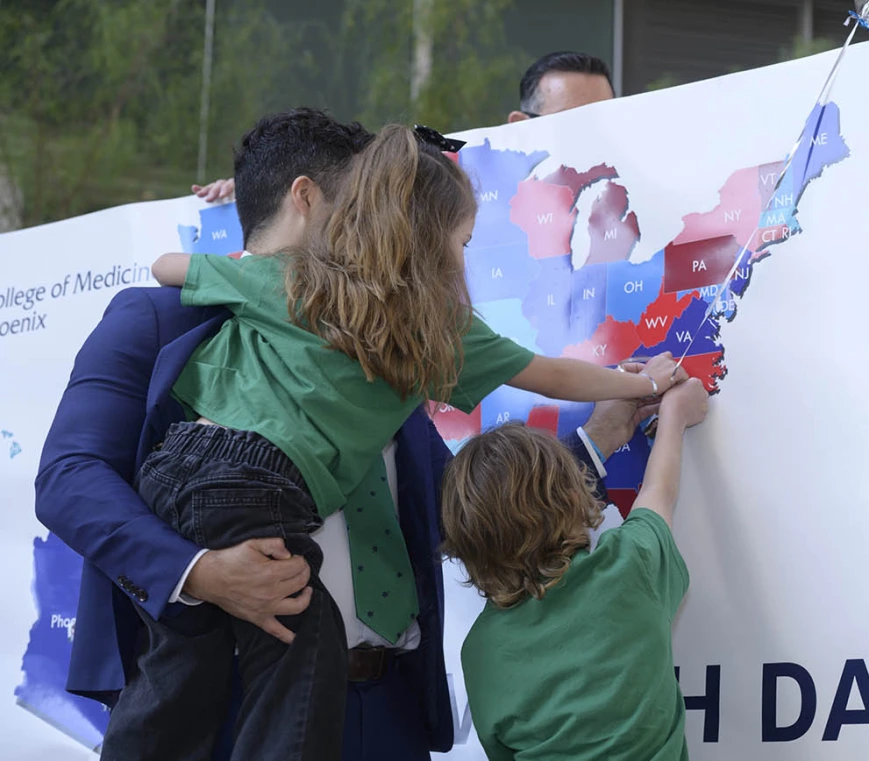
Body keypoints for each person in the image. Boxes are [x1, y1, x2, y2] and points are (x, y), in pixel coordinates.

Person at [36, 108, 652, 761]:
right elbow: (70, 478)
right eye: (366, 199)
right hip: (232, 707)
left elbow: (466, 505)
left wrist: (599, 441)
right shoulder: (162, 318)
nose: (387, 218)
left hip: (389, 711)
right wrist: (203, 573)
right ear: (306, 198)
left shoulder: (391, 338)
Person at [440, 377, 709, 761]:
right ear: (571, 494)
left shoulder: (479, 651)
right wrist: (674, 416)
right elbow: (658, 493)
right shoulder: (628, 567)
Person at [192, 51, 615, 203]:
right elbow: (361, 174)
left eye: (607, 118)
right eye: (575, 121)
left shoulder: (646, 190)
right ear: (519, 126)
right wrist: (261, 188)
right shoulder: (458, 169)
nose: (591, 134)